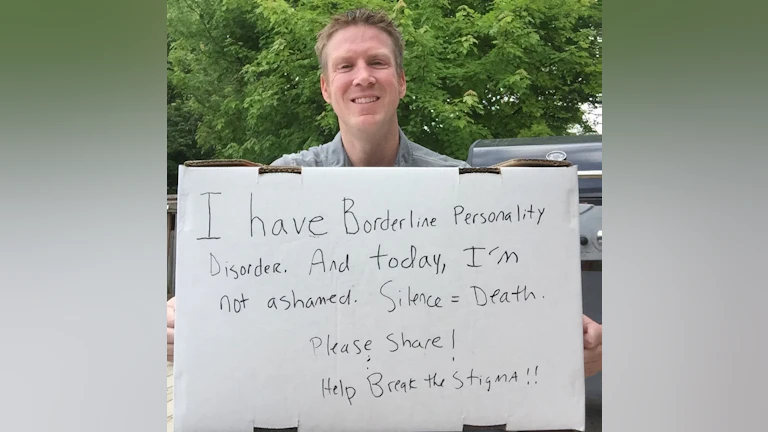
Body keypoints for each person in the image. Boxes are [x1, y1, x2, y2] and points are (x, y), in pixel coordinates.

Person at [167, 8, 602, 377]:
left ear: (401, 81)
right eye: (345, 66)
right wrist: (182, 314)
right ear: (325, 88)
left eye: (377, 63)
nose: (362, 78)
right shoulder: (280, 185)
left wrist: (575, 346)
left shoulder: (465, 188)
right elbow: (233, 282)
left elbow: (509, 303)